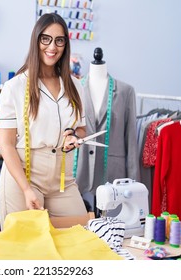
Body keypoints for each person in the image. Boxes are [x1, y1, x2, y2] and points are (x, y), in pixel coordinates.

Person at [0, 13, 88, 230]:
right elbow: (6, 145)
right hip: (25, 177)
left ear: (65, 44)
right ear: (36, 40)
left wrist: (74, 136)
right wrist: (27, 189)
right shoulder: (15, 87)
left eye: (59, 40)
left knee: (81, 237)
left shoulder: (76, 86)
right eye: (45, 39)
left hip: (63, 181)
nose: (52, 47)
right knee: (26, 248)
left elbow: (82, 129)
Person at [75, 48, 140, 213]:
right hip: (79, 168)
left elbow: (131, 140)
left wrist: (134, 182)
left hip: (113, 172)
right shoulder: (74, 89)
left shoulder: (126, 92)